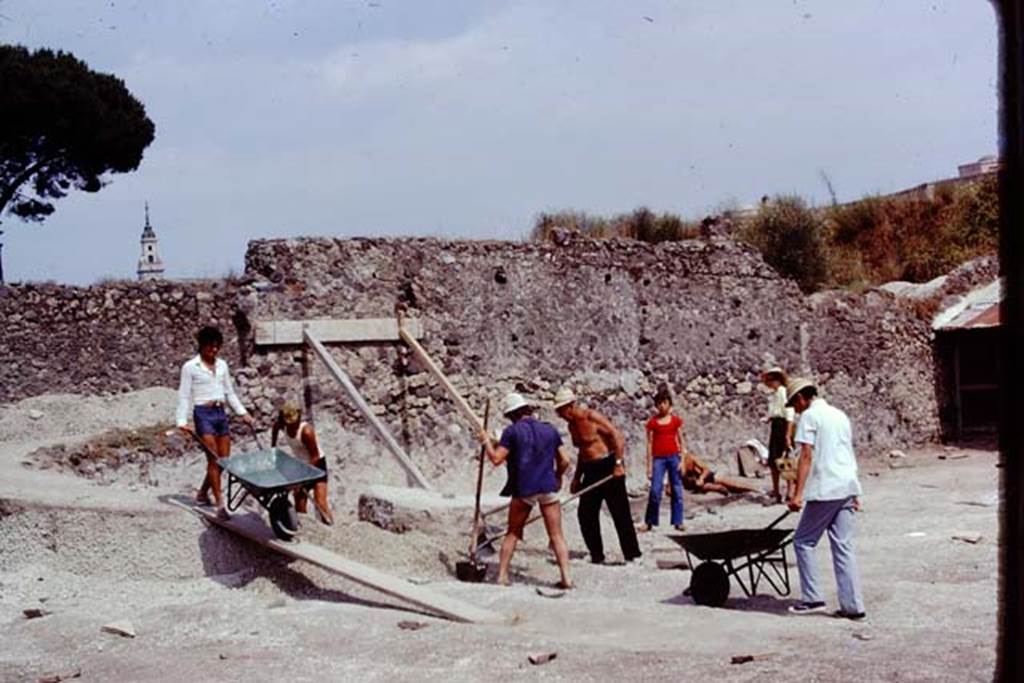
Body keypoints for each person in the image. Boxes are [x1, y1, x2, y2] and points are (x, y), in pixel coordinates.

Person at [785, 377, 866, 620]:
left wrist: (798, 494)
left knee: (803, 541)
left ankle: (812, 598)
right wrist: (854, 490)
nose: (795, 410)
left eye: (794, 404)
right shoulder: (839, 415)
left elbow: (806, 456)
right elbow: (847, 452)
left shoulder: (810, 416)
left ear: (801, 398)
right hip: (845, 485)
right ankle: (854, 606)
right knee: (843, 546)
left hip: (826, 488)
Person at [478, 392, 573, 588]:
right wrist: (557, 476)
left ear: (512, 414)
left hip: (524, 488)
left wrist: (486, 442)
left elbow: (496, 459)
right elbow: (565, 460)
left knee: (512, 532)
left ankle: (503, 576)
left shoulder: (512, 432)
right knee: (556, 535)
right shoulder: (550, 430)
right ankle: (566, 578)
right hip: (548, 486)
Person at [553, 387, 642, 564]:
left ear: (569, 406)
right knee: (585, 513)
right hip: (590, 469)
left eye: (560, 410)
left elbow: (618, 437)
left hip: (608, 465)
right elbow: (582, 452)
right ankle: (596, 554)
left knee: (620, 512)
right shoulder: (571, 426)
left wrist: (618, 464)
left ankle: (632, 554)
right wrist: (577, 477)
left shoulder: (591, 417)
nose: (559, 415)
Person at [176, 325, 254, 515]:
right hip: (203, 413)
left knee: (224, 460)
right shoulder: (190, 367)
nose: (214, 350)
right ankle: (220, 503)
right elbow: (184, 395)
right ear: (202, 346)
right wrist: (181, 420)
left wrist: (242, 412)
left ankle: (203, 493)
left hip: (221, 413)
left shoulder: (222, 366)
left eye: (217, 346)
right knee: (213, 457)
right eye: (210, 346)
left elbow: (229, 392)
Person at [271, 402, 334, 526]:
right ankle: (305, 528)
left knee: (320, 503)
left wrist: (304, 478)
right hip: (300, 466)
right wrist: (273, 448)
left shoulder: (306, 432)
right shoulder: (282, 425)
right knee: (299, 500)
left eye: (293, 421)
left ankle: (330, 527)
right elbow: (275, 428)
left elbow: (315, 455)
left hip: (316, 465)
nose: (291, 424)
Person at [640, 388, 686, 532]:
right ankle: (649, 521)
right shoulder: (652, 423)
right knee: (655, 491)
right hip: (658, 459)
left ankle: (678, 521)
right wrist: (648, 466)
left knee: (677, 490)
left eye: (664, 402)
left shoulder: (675, 421)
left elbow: (681, 440)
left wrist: (682, 460)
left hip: (674, 457)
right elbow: (648, 444)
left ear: (669, 404)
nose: (662, 406)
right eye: (659, 403)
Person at [761, 366, 795, 504]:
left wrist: (788, 435)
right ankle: (777, 491)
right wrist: (769, 418)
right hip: (776, 425)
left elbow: (789, 415)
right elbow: (776, 411)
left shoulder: (782, 392)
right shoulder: (774, 395)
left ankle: (790, 491)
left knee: (785, 460)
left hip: (783, 426)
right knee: (774, 460)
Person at [680, 452, 760, 495]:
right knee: (717, 488)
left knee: (731, 483)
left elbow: (706, 469)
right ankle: (727, 492)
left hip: (705, 477)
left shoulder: (689, 458)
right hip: (696, 486)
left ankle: (757, 490)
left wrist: (701, 478)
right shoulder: (672, 464)